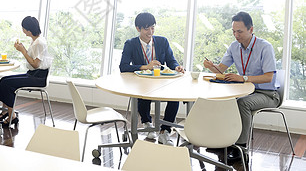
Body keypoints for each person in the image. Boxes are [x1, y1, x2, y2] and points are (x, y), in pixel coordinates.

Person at [203, 11, 280, 162]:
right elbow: (221, 69)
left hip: (267, 94)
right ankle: (223, 142)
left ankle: (241, 149)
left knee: (242, 103)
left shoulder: (265, 47)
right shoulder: (234, 47)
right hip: (245, 90)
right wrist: (211, 66)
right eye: (233, 31)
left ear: (251, 30)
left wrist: (243, 78)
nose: (236, 35)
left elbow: (268, 77)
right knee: (224, 99)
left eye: (240, 31)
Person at [119, 12, 184, 146]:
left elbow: (171, 61)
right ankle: (147, 122)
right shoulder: (131, 44)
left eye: (153, 28)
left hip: (161, 82)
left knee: (175, 98)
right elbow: (123, 66)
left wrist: (177, 67)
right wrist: (145, 66)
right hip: (142, 83)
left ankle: (164, 131)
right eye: (146, 29)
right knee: (142, 94)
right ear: (138, 28)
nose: (150, 32)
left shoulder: (162, 41)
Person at [0, 16, 52, 127]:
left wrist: (23, 51)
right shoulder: (36, 40)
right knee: (4, 80)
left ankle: (12, 117)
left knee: (8, 84)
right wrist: (23, 49)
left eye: (24, 28)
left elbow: (35, 64)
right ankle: (5, 111)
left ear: (29, 30)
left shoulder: (39, 43)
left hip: (38, 77)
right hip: (32, 74)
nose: (23, 30)